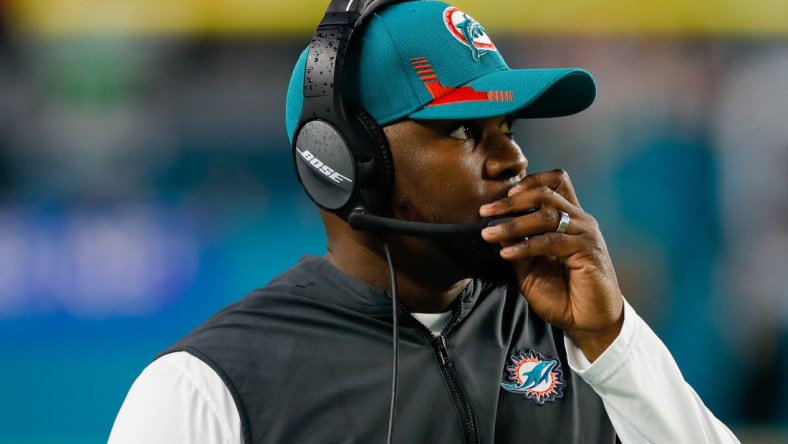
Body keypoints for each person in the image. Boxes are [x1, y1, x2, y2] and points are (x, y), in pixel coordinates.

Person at [109, 1, 739, 442]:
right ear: (345, 160)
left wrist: (614, 340)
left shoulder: (583, 341)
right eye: (465, 130)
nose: (512, 159)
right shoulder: (209, 385)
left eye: (508, 128)